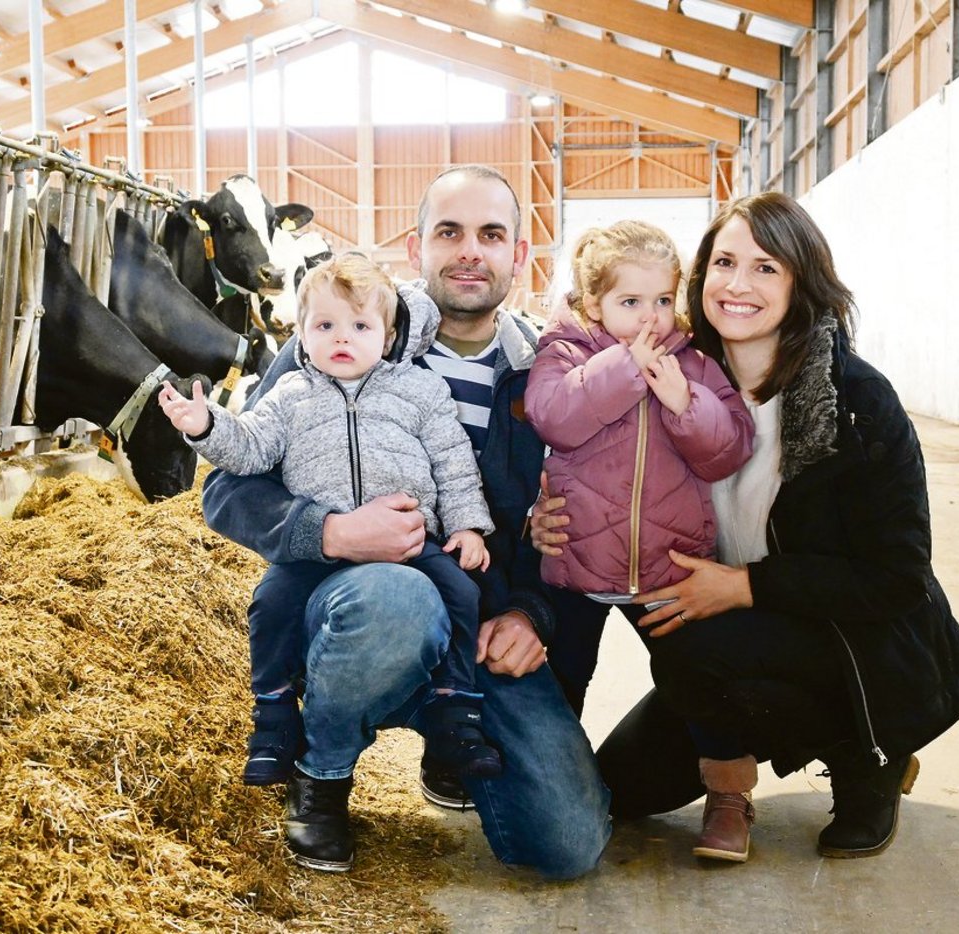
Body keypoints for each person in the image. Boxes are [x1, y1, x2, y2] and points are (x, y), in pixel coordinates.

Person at [533, 191, 959, 861]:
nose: (738, 284)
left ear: (802, 282)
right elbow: (589, 450)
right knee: (620, 788)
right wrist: (544, 515)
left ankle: (864, 753)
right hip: (728, 634)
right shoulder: (677, 370)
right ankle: (742, 728)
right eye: (724, 263)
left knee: (692, 645)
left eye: (766, 267)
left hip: (844, 638)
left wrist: (745, 586)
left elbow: (896, 577)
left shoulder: (854, 401)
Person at [200, 165, 611, 876]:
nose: (470, 251)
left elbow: (581, 525)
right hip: (355, 602)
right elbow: (226, 491)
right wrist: (330, 532)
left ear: (518, 254)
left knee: (567, 843)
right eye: (449, 232)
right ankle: (321, 773)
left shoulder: (551, 374)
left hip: (479, 628)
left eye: (491, 235)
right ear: (417, 247)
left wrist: (532, 614)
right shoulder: (341, 335)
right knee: (398, 594)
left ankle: (449, 739)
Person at [158, 253, 502, 800]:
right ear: (301, 334)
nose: (342, 338)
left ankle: (453, 709)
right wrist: (205, 426)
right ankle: (274, 716)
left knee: (463, 592)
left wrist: (467, 527)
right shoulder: (290, 395)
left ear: (388, 338)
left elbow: (453, 463)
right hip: (315, 555)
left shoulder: (419, 391)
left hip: (412, 542)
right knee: (269, 605)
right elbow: (249, 450)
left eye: (360, 326)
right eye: (324, 325)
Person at [523, 220, 758, 861]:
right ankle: (554, 790)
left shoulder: (695, 364)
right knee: (564, 681)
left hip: (669, 570)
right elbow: (554, 418)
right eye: (630, 302)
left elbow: (729, 451)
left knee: (703, 682)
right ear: (593, 304)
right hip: (577, 566)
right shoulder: (565, 354)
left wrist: (685, 402)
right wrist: (625, 366)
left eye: (662, 300)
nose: (651, 318)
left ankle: (729, 797)